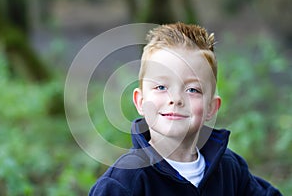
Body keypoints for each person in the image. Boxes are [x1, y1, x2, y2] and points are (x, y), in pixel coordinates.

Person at [89, 23, 281, 195]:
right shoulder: (123, 183)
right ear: (140, 102)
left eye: (192, 90)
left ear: (211, 108)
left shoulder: (229, 168)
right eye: (161, 87)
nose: (176, 99)